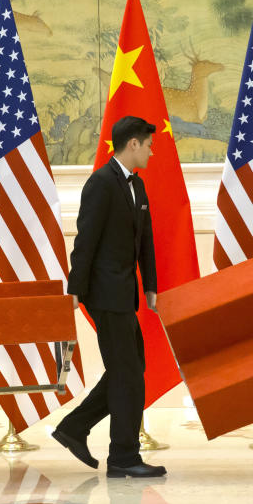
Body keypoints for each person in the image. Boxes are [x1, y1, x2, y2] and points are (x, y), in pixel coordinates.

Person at [52, 115, 165, 478]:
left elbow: (145, 240)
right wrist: (75, 289)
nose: (151, 150)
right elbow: (85, 240)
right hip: (104, 293)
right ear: (133, 144)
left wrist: (150, 285)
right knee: (128, 373)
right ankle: (123, 457)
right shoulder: (100, 183)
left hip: (125, 293)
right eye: (148, 144)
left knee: (130, 370)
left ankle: (74, 428)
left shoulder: (139, 186)